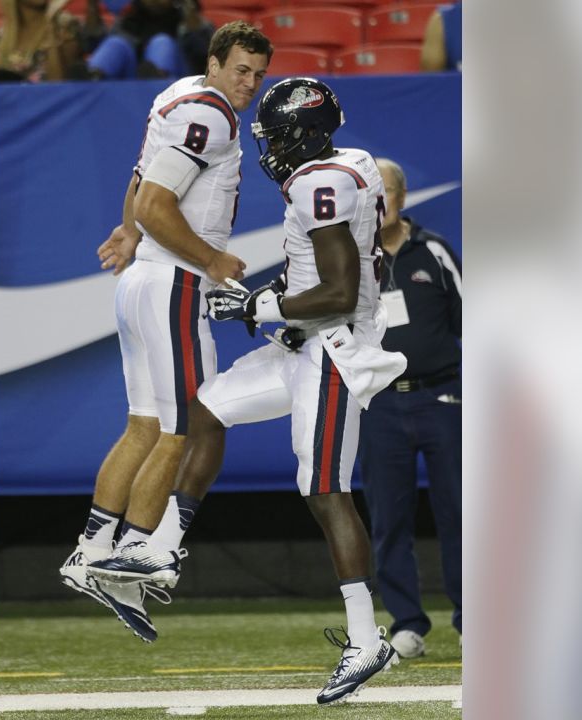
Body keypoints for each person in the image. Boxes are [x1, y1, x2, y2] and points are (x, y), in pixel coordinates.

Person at [90, 77, 409, 705]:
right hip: (304, 340)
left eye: (281, 136)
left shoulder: (322, 182)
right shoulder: (352, 166)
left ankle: (366, 638)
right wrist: (276, 307)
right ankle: (164, 550)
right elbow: (339, 268)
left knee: (324, 492)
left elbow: (340, 291)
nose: (273, 149)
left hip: (334, 349)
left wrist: (261, 304)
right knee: (206, 408)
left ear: (309, 134)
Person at [57, 21, 272, 643]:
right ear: (213, 63)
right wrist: (209, 259)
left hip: (142, 281)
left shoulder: (176, 95)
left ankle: (91, 550)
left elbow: (141, 180)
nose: (249, 85)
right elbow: (157, 202)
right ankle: (132, 558)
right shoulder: (214, 115)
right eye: (240, 70)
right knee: (190, 428)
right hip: (174, 284)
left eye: (258, 75)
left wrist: (127, 230)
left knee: (145, 426)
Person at [357, 158, 463, 659]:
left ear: (402, 197)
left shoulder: (435, 251)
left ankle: (473, 619)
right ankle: (407, 625)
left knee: (461, 512)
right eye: (368, 194)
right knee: (388, 517)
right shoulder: (352, 258)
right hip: (380, 404)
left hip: (443, 397)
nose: (378, 203)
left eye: (385, 193)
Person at [80, 0, 215, 80]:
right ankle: (91, 78)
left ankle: (157, 80)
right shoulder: (129, 22)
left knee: (161, 43)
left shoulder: (188, 21)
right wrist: (92, 6)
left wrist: (191, 16)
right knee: (116, 44)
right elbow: (92, 45)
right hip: (134, 86)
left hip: (177, 88)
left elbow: (207, 53)